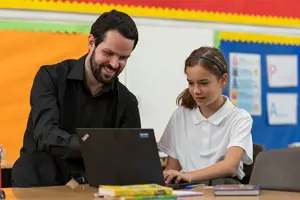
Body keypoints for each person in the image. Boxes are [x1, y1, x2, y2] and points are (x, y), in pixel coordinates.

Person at [12, 9, 141, 187]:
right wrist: (94, 146)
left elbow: (125, 158)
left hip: (88, 190)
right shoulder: (50, 77)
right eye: (108, 53)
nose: (114, 64)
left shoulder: (127, 102)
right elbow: (46, 135)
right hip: (36, 186)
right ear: (91, 43)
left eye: (123, 58)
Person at [158, 47, 253, 185]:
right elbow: (172, 169)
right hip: (188, 191)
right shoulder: (180, 116)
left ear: (223, 80)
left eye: (204, 83)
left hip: (222, 190)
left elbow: (230, 166)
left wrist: (188, 176)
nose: (196, 91)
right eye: (191, 83)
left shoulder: (239, 118)